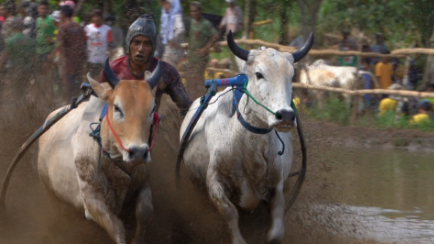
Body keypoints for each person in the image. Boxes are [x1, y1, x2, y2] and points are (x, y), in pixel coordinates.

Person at [97, 14, 192, 116]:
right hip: (116, 128)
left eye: (147, 44)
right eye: (136, 43)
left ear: (153, 48)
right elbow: (95, 106)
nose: (141, 49)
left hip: (149, 127)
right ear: (129, 45)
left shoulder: (167, 72)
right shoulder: (113, 70)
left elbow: (187, 109)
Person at [49, 5, 86, 99]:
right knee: (78, 87)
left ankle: (69, 106)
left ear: (63, 15)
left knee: (68, 87)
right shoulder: (79, 27)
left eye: (60, 13)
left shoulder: (63, 27)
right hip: (78, 63)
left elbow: (59, 43)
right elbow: (83, 44)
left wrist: (51, 55)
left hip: (68, 64)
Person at [186, 1, 220, 99]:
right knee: (190, 79)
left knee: (197, 78)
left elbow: (216, 35)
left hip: (201, 58)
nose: (193, 13)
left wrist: (206, 48)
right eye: (191, 11)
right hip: (192, 57)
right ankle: (193, 98)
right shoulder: (192, 22)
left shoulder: (206, 24)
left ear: (200, 11)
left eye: (195, 11)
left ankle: (201, 98)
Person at [0, 18, 35, 97]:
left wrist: (1, 69)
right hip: (27, 70)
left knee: (16, 92)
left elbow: (4, 58)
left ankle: (18, 107)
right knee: (24, 90)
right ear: (22, 27)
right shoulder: (30, 41)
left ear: (12, 27)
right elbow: (34, 58)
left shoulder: (10, 41)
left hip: (15, 70)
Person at [84, 9, 113, 77]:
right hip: (91, 60)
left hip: (102, 61)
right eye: (95, 16)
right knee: (89, 79)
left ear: (102, 18)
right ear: (92, 18)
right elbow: (84, 43)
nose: (97, 19)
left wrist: (110, 56)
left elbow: (110, 44)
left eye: (99, 17)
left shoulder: (107, 29)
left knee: (101, 80)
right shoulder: (87, 28)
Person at [159, 0, 185, 67]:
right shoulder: (166, 17)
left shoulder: (176, 16)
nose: (165, 6)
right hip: (168, 48)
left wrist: (173, 40)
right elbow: (163, 31)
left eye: (166, 4)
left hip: (174, 49)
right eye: (163, 4)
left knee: (169, 71)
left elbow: (180, 30)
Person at [35, 0, 56, 71]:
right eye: (42, 8)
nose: (44, 10)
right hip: (38, 50)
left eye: (45, 8)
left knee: (47, 70)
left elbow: (59, 34)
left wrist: (53, 40)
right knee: (40, 71)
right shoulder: (37, 20)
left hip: (48, 50)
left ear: (48, 9)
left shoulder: (51, 20)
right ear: (38, 9)